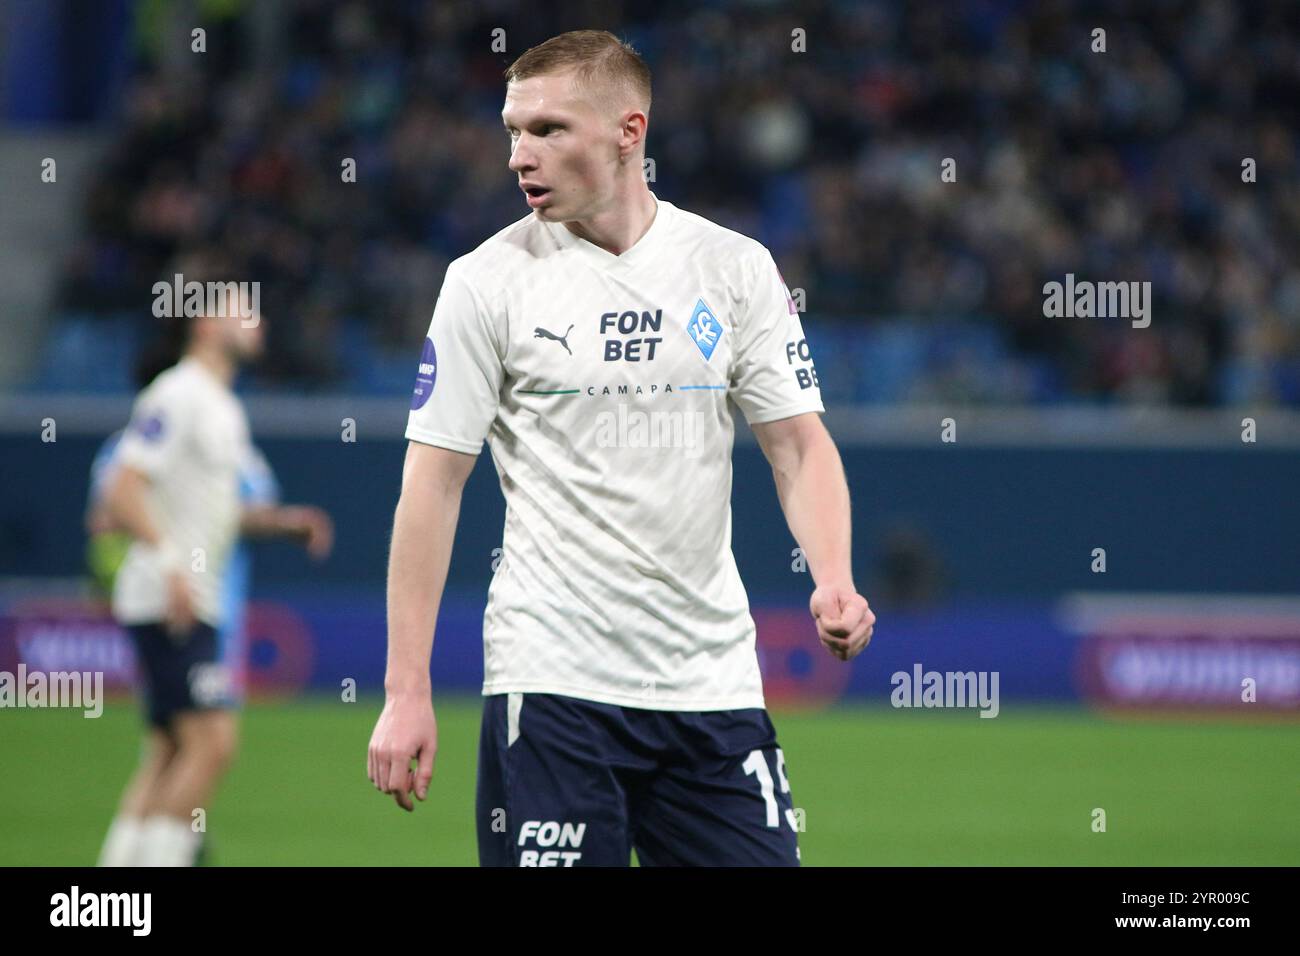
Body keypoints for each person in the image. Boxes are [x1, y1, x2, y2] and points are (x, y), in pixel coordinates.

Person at [367, 30, 874, 866]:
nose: (518, 155)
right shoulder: (483, 283)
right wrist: (405, 690)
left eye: (548, 129)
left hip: (711, 685)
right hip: (555, 681)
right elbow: (432, 486)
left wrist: (833, 577)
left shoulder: (734, 268)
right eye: (512, 130)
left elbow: (797, 446)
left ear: (628, 132)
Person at [95, 268, 329, 866]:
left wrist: (285, 522)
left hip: (184, 595)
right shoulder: (179, 394)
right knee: (213, 743)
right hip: (173, 597)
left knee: (171, 750)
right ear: (207, 321)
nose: (258, 322)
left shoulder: (220, 405)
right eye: (243, 310)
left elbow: (221, 513)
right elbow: (122, 489)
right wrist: (172, 562)